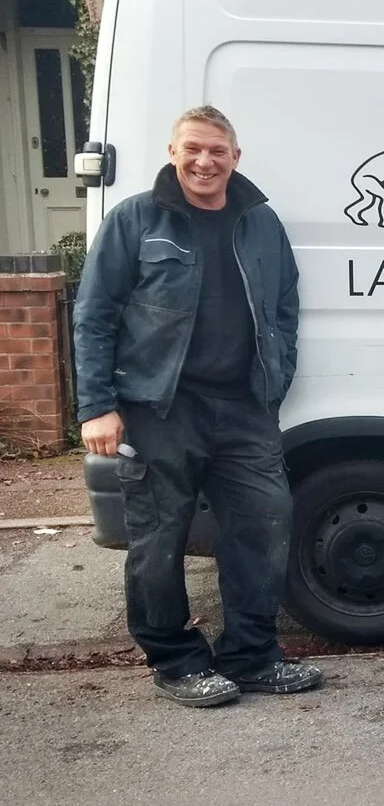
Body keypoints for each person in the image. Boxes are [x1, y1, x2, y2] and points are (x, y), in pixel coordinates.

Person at [73, 105, 320, 708]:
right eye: (193, 149)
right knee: (158, 538)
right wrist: (96, 406)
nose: (204, 162)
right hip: (160, 408)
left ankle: (251, 656)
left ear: (235, 157)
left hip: (245, 408)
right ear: (173, 152)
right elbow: (94, 315)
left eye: (217, 151)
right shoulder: (136, 219)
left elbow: (285, 306)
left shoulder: (260, 223)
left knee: (262, 526)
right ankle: (176, 661)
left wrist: (277, 376)